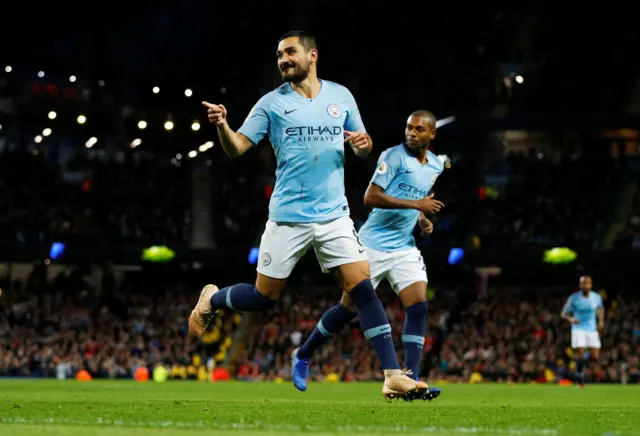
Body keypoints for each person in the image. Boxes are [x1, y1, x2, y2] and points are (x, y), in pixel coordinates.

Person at [190, 30, 427, 400]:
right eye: (279, 55)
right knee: (264, 298)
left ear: (311, 55)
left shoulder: (341, 96)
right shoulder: (270, 104)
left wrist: (364, 147)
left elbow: (362, 145)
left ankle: (393, 374)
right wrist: (222, 126)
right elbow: (237, 147)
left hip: (334, 216)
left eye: (289, 53)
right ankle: (213, 300)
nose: (283, 60)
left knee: (363, 288)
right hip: (288, 216)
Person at [291, 110, 445, 401]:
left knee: (419, 306)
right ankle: (302, 354)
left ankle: (408, 378)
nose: (411, 133)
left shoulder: (436, 165)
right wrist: (417, 204)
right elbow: (370, 197)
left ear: (431, 134)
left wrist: (421, 217)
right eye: (408, 127)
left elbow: (417, 194)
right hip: (372, 244)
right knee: (346, 310)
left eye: (418, 129)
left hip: (404, 246)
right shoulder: (393, 156)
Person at [561, 275, 605, 388]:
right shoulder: (573, 298)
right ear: (580, 285)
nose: (585, 285)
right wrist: (571, 319)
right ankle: (579, 376)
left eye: (587, 283)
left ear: (591, 285)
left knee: (595, 356)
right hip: (578, 328)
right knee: (580, 353)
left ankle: (579, 361)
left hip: (592, 329)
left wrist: (601, 321)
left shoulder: (596, 297)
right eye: (583, 283)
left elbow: (600, 309)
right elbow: (563, 313)